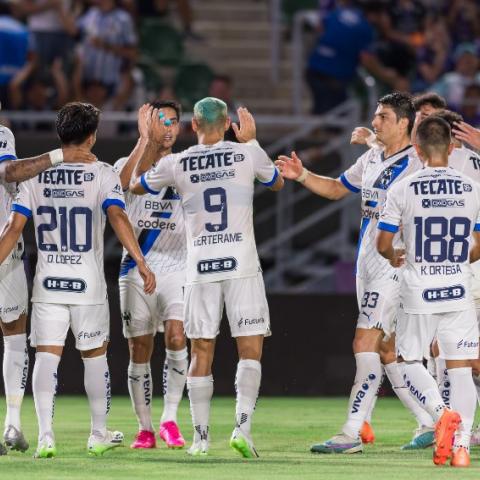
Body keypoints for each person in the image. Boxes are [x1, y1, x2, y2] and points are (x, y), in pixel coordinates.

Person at [276, 92, 435, 454]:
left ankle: (350, 433)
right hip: (367, 262)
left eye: (383, 117)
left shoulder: (419, 163)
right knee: (387, 348)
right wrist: (301, 175)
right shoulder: (373, 157)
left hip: (393, 264)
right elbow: (335, 189)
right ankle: (431, 420)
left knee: (363, 342)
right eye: (375, 115)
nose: (374, 122)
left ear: (404, 123)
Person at [0, 102, 155, 458]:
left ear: (60, 135)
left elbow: (13, 228)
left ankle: (45, 437)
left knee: (46, 357)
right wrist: (140, 260)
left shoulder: (36, 174)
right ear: (92, 136)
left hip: (48, 284)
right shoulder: (101, 173)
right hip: (88, 284)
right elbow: (117, 215)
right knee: (94, 356)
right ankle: (98, 432)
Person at [130, 98, 284, 457]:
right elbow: (276, 183)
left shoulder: (177, 163)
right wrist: (252, 141)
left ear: (194, 126)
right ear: (228, 123)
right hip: (242, 264)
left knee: (201, 349)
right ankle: (242, 430)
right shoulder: (246, 153)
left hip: (200, 268)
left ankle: (200, 439)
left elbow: (136, 186)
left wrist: (149, 140)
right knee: (250, 347)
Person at [377, 115, 480, 467]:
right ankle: (462, 448)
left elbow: (383, 243)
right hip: (458, 287)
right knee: (461, 368)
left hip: (419, 287)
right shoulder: (472, 188)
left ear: (417, 149)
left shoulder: (403, 189)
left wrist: (394, 257)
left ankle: (440, 414)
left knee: (407, 361)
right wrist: (461, 259)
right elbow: (479, 243)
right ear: (452, 148)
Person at [0, 109, 96, 455]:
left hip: (8, 249)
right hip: (4, 248)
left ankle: (13, 424)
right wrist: (59, 156)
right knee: (14, 334)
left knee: (15, 334)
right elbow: (8, 171)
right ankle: (11, 422)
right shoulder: (2, 135)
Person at [114, 101, 188, 449]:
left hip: (178, 264)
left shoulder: (185, 166)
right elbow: (122, 184)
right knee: (139, 347)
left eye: (174, 121)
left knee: (176, 337)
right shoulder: (126, 164)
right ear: (148, 125)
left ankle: (169, 419)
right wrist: (143, 141)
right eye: (162, 121)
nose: (169, 128)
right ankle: (144, 428)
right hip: (136, 266)